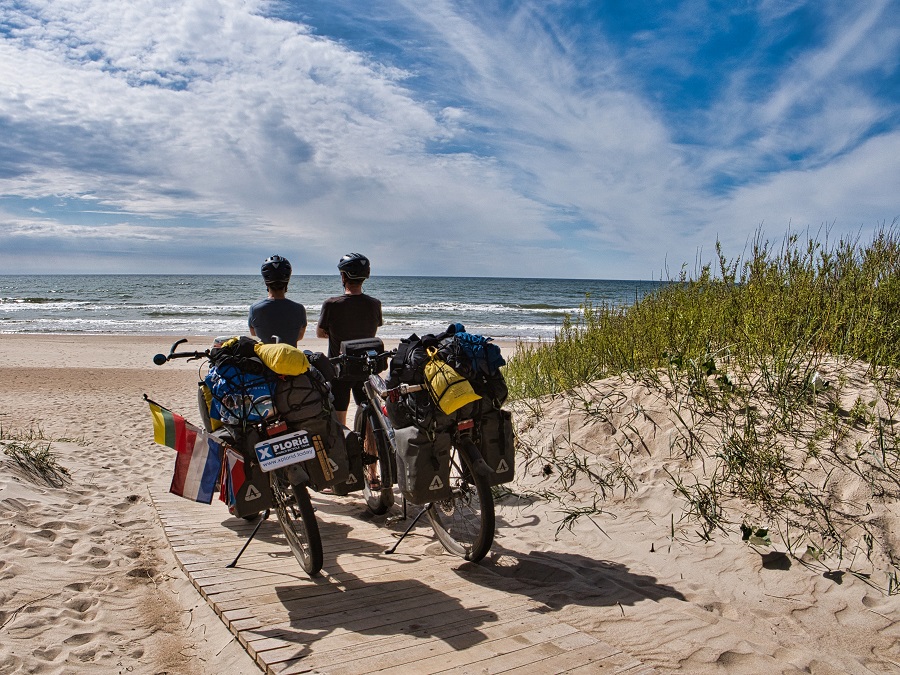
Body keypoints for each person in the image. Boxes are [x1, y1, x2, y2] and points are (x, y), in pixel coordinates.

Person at [316, 253, 383, 427]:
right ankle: (370, 450)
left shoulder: (332, 304)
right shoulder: (375, 304)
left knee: (339, 416)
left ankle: (346, 448)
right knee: (368, 413)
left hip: (339, 369)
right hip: (365, 366)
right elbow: (374, 328)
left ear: (344, 276)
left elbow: (320, 333)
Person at [248, 255, 307, 347]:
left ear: (266, 282)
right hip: (290, 358)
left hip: (265, 358)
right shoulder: (299, 309)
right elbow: (299, 336)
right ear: (287, 282)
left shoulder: (255, 308)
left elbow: (254, 334)